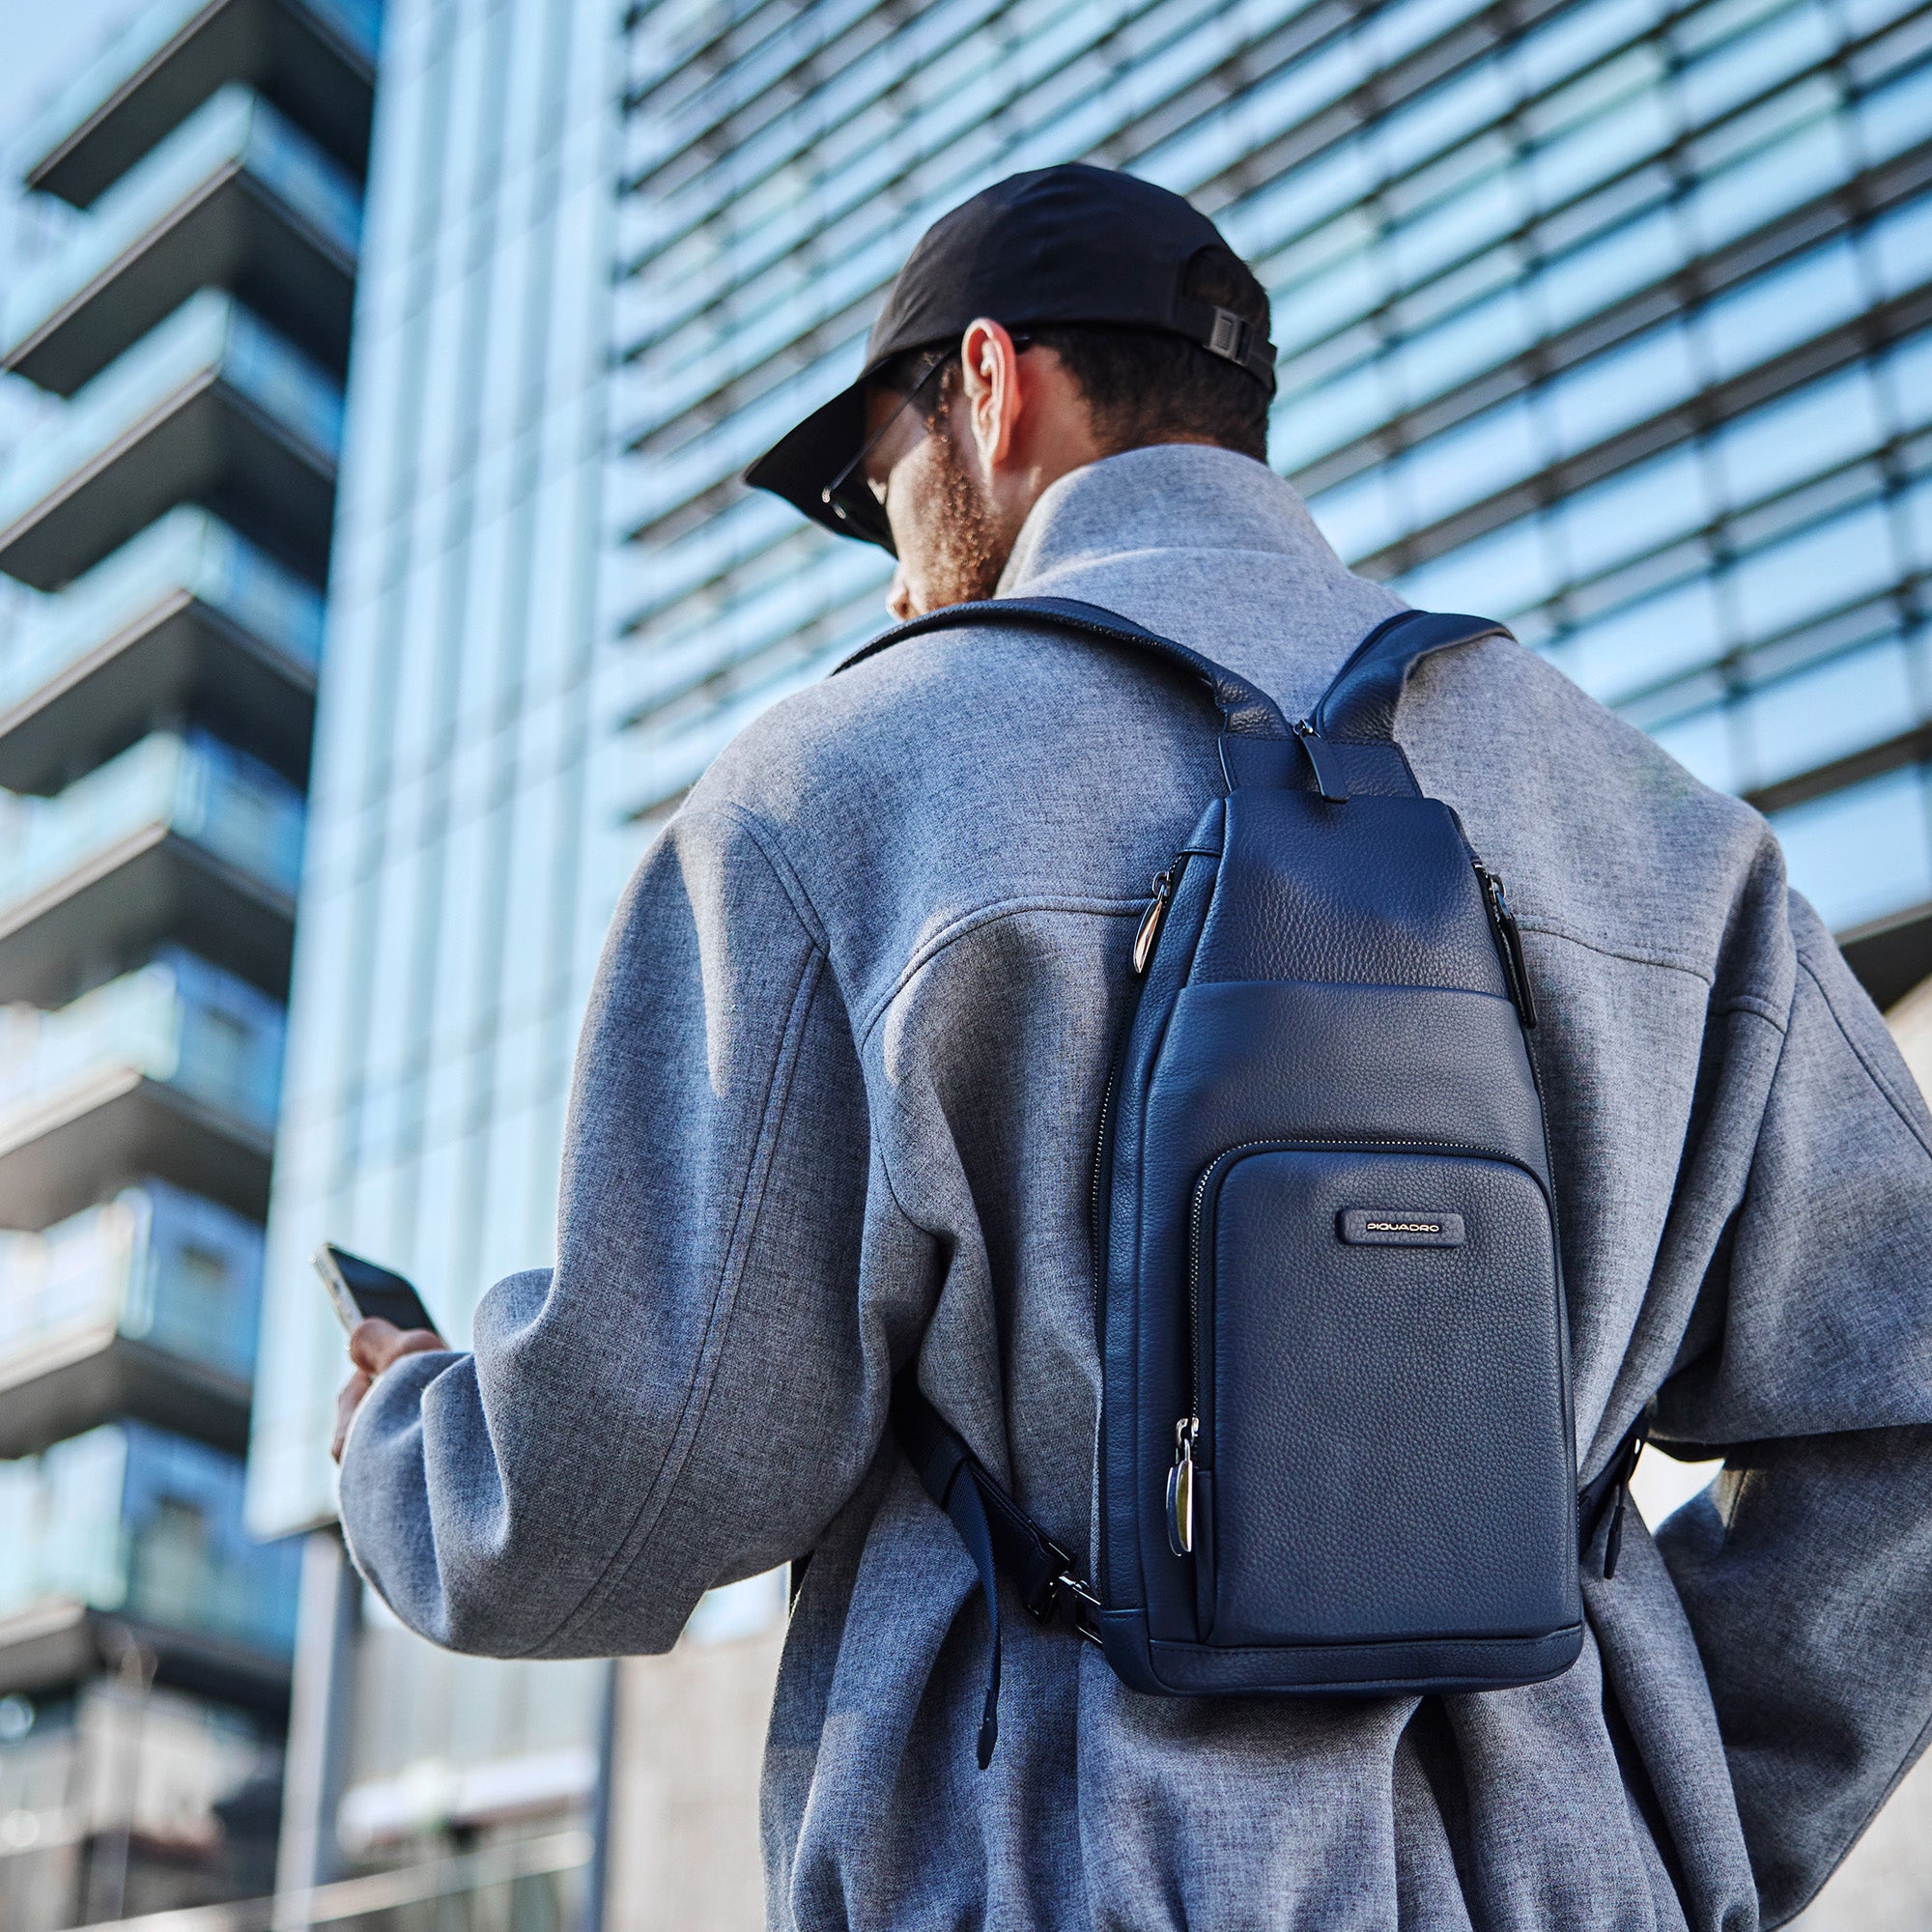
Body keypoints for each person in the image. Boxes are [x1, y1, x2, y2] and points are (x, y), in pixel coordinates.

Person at [334, 164, 1932, 1928]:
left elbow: (598, 1509)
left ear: (995, 389)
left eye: (883, 495)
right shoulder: (1663, 833)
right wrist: (1662, 1819)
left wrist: (402, 1431)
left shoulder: (832, 799)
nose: (891, 587)